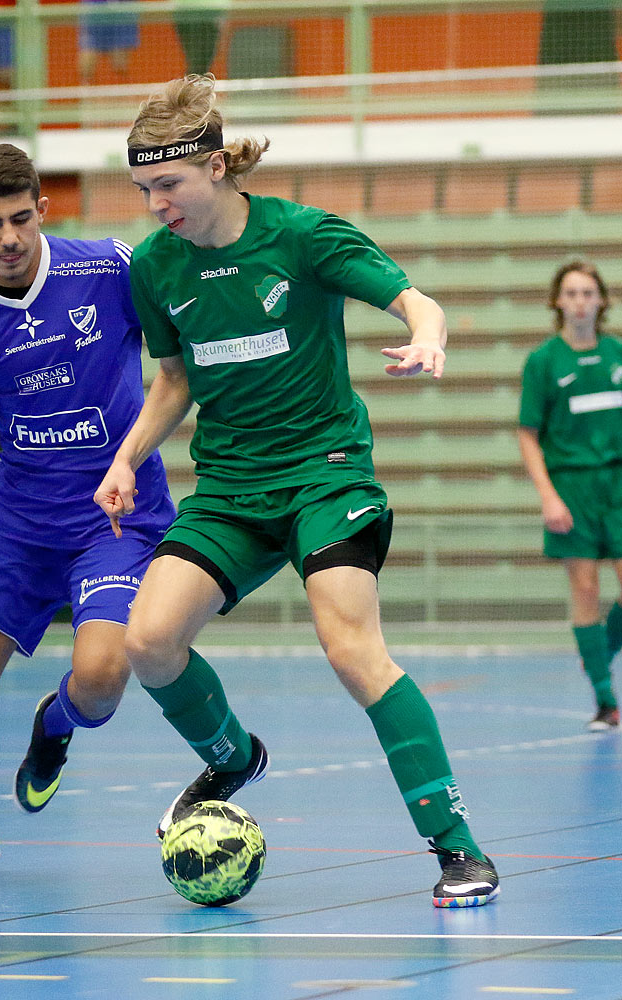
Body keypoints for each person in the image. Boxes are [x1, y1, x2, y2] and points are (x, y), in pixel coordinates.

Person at [94, 74, 500, 909]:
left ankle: (458, 849)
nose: (155, 205)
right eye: (142, 190)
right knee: (149, 643)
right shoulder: (159, 268)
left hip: (326, 474)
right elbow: (174, 381)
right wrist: (128, 456)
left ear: (215, 166)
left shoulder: (305, 237)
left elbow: (417, 301)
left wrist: (426, 338)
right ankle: (233, 756)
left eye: (166, 185)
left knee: (351, 648)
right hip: (232, 489)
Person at [0, 143, 175, 876]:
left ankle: (56, 724)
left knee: (104, 677)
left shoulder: (109, 267)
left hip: (113, 517)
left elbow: (182, 349)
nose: (10, 238)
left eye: (21, 218)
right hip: (16, 524)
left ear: (44, 210)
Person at [515, 259, 622, 732]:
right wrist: (548, 496)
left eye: (588, 293)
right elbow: (527, 434)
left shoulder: (621, 356)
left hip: (619, 485)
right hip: (571, 487)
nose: (580, 301)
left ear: (601, 301)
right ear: (558, 302)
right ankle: (606, 701)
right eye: (571, 293)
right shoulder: (543, 362)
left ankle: (597, 655)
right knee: (585, 588)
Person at [77, 0, 136, 84]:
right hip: (94, 14)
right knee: (87, 69)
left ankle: (124, 92)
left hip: (120, 16)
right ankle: (87, 92)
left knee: (120, 66)